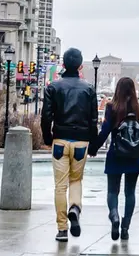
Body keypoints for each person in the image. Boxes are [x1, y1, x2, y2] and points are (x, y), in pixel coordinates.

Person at [40, 48, 98, 242]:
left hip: (60, 140)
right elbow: (93, 120)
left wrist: (48, 138)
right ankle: (75, 207)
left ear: (63, 65)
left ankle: (62, 228)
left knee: (59, 186)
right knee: (76, 181)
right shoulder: (89, 89)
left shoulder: (53, 87)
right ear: (81, 66)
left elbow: (46, 117)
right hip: (81, 141)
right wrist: (94, 144)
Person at [93, 77, 139, 241]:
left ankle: (114, 215)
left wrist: (93, 148)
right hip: (134, 156)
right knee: (130, 193)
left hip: (116, 154)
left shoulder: (112, 108)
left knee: (112, 191)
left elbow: (105, 131)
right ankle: (125, 227)